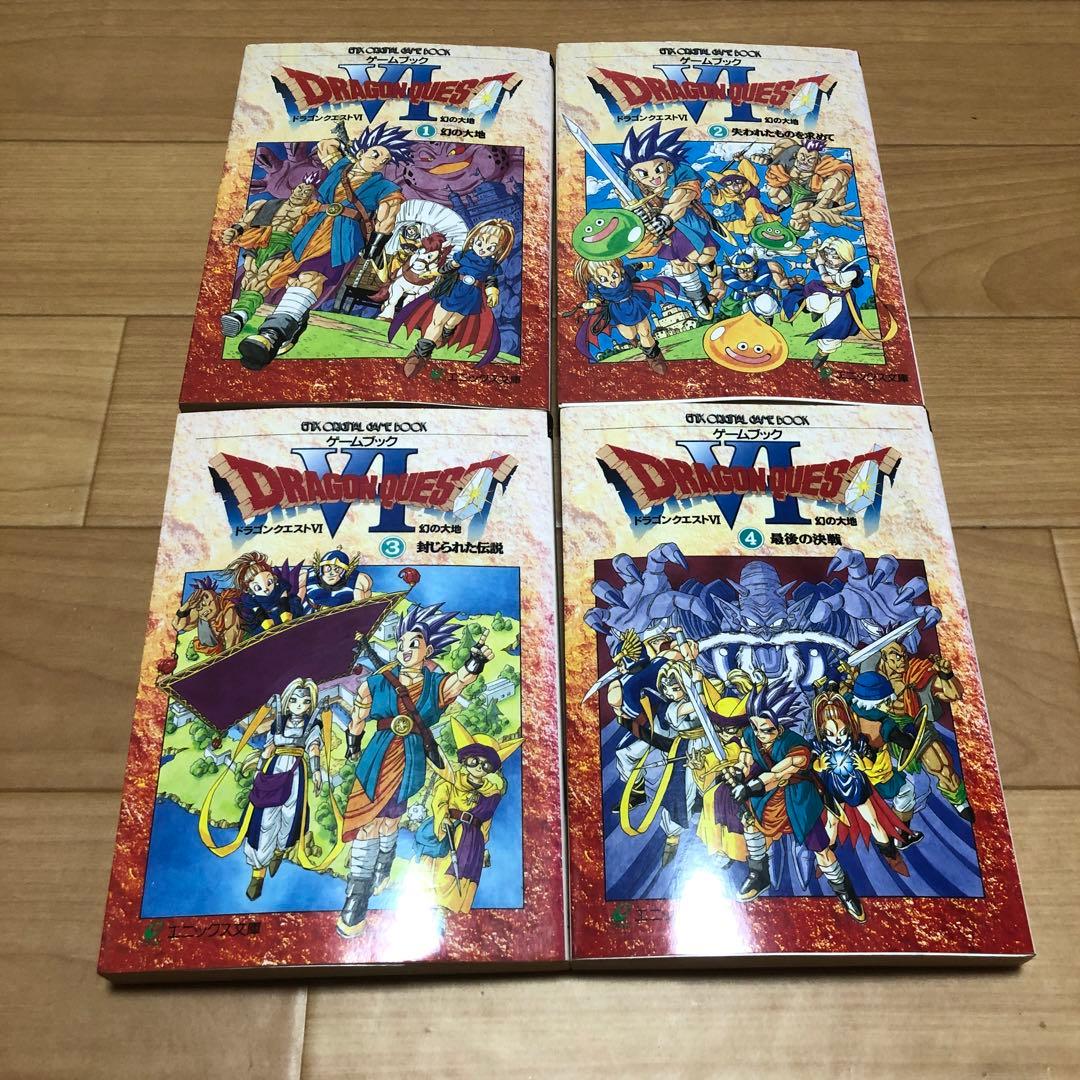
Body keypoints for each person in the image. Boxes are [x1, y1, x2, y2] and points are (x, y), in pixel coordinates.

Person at [336, 603, 493, 937]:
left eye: (414, 644)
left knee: (390, 820)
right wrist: (352, 743)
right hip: (376, 758)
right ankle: (356, 896)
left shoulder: (435, 684)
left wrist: (476, 661)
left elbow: (459, 682)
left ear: (428, 651)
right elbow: (358, 717)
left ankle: (384, 864)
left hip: (410, 760)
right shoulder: (376, 683)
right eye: (402, 644)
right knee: (367, 823)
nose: (405, 649)